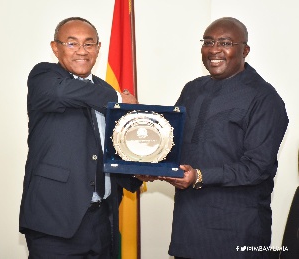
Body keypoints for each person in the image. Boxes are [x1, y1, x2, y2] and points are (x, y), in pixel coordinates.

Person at [161, 17, 288, 259]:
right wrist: (148, 160)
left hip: (237, 232)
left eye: (225, 42)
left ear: (245, 50)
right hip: (188, 228)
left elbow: (257, 168)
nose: (214, 49)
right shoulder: (192, 89)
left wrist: (199, 176)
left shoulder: (265, 99)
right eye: (208, 42)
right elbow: (171, 140)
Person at [19, 17, 142, 259]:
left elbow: (112, 149)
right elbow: (64, 92)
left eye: (89, 44)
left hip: (103, 221)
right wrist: (119, 98)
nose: (81, 51)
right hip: (54, 224)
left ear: (98, 48)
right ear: (56, 48)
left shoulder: (102, 90)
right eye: (72, 44)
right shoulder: (44, 76)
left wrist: (138, 169)